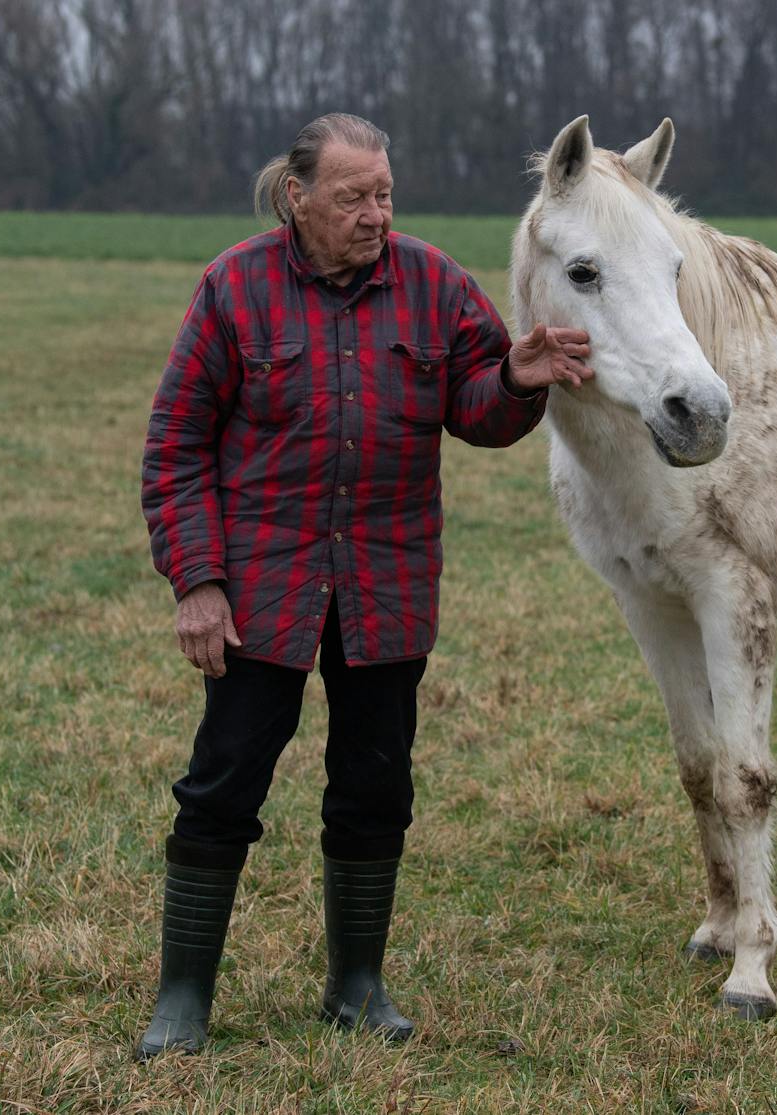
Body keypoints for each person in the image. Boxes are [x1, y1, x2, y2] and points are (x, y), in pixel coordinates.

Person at [135, 112, 590, 1060]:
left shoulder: (431, 282)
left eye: (384, 193)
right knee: (221, 785)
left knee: (375, 787)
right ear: (298, 198)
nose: (376, 213)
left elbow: (476, 412)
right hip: (261, 591)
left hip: (387, 588)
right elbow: (175, 447)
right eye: (353, 197)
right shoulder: (233, 287)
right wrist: (198, 583)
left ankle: (355, 985)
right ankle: (183, 997)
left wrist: (515, 374)